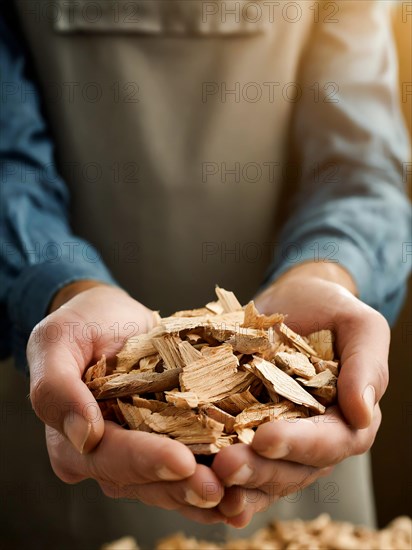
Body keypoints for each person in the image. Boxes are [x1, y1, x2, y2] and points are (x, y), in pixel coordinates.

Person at [1, 0, 411, 548]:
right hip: (67, 399)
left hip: (299, 459)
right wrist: (58, 287)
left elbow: (362, 167)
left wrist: (330, 276)